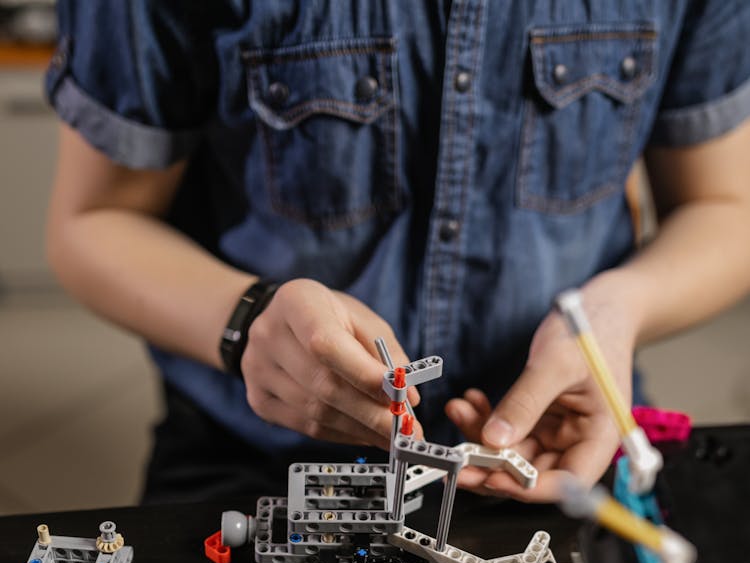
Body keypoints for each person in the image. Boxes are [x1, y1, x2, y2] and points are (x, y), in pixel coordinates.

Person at [45, 2, 750, 504]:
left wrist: (611, 316)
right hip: (257, 455)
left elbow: (725, 208)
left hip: (567, 439)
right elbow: (91, 220)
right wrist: (246, 320)